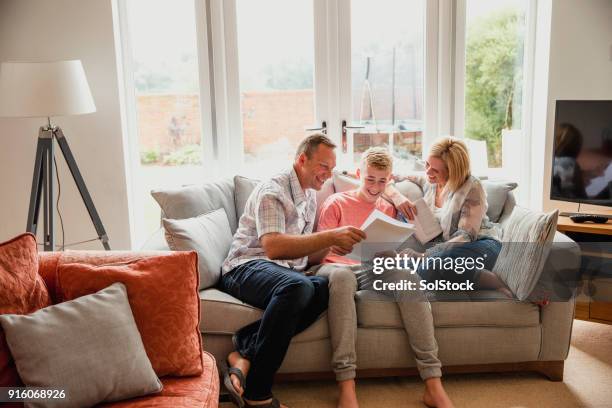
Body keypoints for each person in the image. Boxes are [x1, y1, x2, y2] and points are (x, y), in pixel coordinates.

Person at [219, 134, 366, 408]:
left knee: (323, 289)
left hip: (282, 272)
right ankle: (257, 393)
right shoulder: (273, 191)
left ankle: (245, 354)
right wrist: (331, 236)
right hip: (244, 267)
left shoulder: (309, 196)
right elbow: (273, 247)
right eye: (323, 166)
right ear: (302, 159)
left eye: (331, 169)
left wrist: (336, 247)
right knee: (299, 287)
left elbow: (304, 253)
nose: (328, 175)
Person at [315, 147, 454, 408]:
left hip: (372, 266)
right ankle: (346, 385)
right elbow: (319, 249)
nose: (375, 186)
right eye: (369, 179)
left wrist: (394, 254)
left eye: (382, 181)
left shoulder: (387, 208)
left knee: (409, 280)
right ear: (359, 174)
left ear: (389, 180)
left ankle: (433, 384)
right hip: (336, 267)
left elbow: (387, 249)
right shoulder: (336, 203)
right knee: (344, 278)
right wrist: (338, 244)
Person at [385, 136, 510, 296]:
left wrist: (424, 255)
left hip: (481, 245)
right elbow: (392, 178)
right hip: (445, 253)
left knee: (433, 264)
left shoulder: (472, 187)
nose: (428, 171)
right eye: (427, 164)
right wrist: (397, 197)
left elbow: (465, 236)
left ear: (452, 171)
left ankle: (492, 281)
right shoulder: (430, 181)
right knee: (411, 268)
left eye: (435, 170)